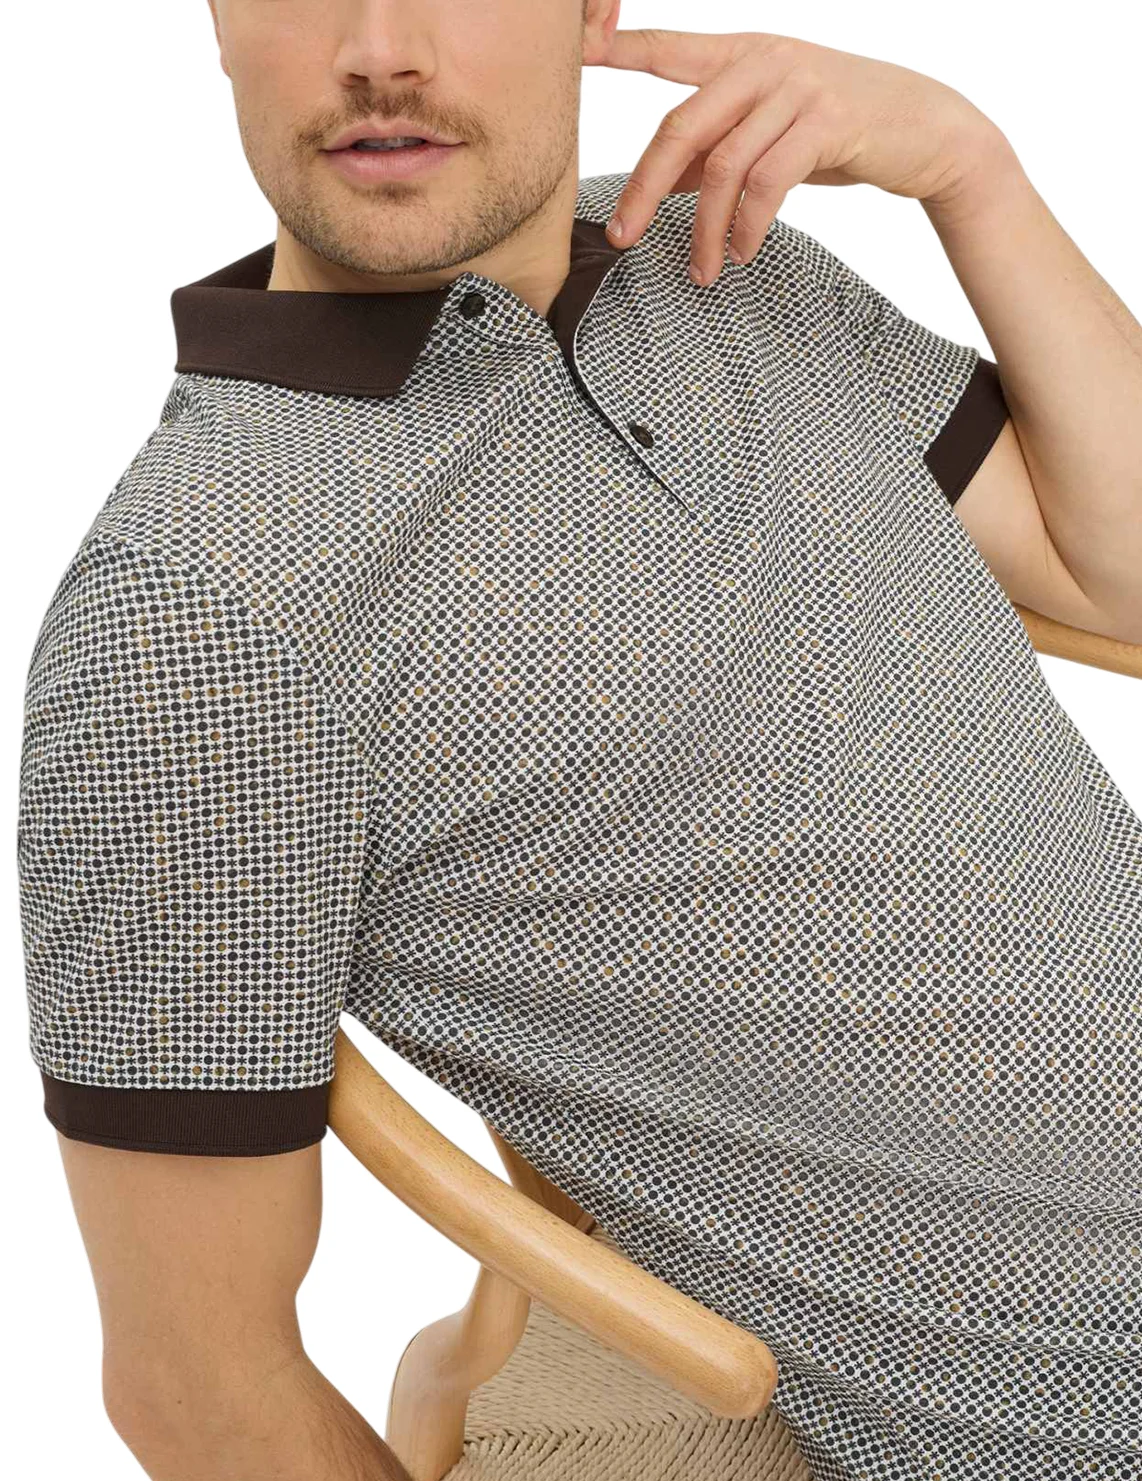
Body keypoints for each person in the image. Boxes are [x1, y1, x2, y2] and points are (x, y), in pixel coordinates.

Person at [16, 2, 1141, 1478]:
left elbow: (1117, 569)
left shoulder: (726, 257)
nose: (380, 47)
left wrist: (967, 168)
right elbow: (196, 1381)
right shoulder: (196, 614)